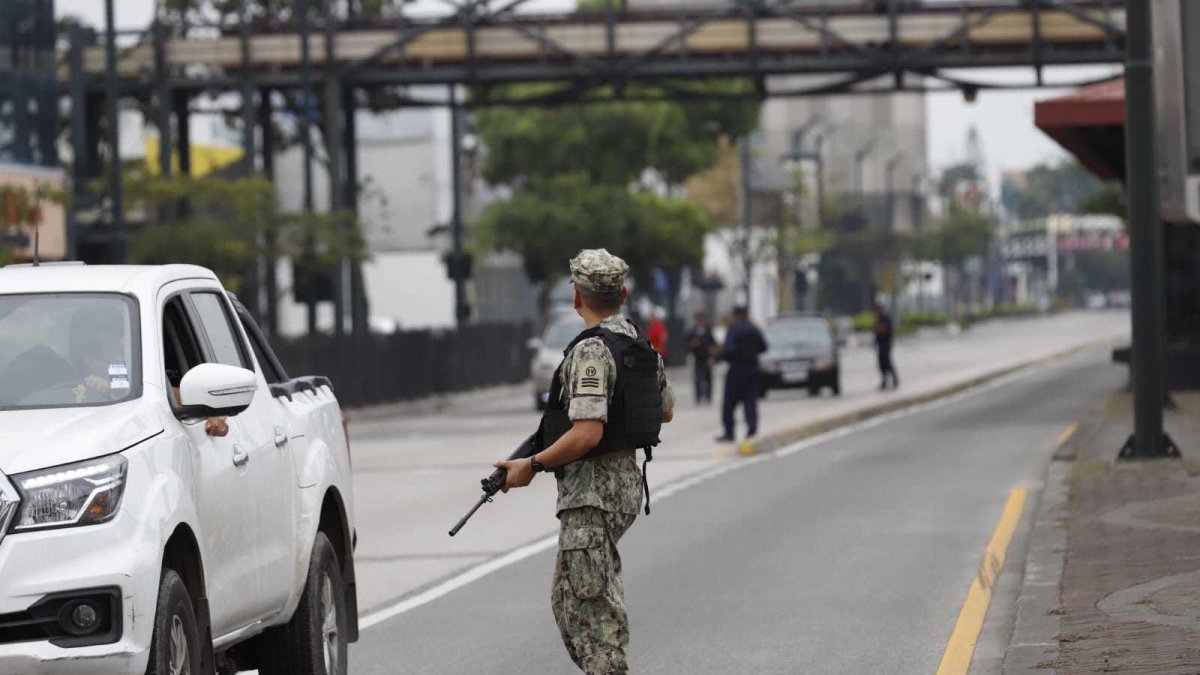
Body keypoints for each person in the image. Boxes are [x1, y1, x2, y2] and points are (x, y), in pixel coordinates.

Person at [493, 248, 675, 674]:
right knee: (571, 597)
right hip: (623, 484)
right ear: (623, 294)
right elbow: (665, 409)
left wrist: (531, 465)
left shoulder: (592, 351)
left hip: (594, 493)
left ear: (576, 297)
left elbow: (587, 432)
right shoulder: (637, 341)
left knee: (591, 611)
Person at [716, 306, 767, 442]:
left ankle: (729, 433)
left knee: (729, 404)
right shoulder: (754, 329)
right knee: (750, 401)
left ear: (735, 316)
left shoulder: (734, 330)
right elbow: (764, 347)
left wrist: (717, 358)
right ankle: (751, 429)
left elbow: (728, 351)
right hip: (752, 370)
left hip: (737, 371)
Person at [685, 311, 718, 404]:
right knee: (698, 378)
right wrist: (692, 344)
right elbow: (687, 344)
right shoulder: (692, 331)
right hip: (698, 358)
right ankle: (698, 396)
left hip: (707, 358)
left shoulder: (708, 330)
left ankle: (708, 396)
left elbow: (713, 343)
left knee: (708, 378)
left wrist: (713, 352)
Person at [874, 301, 899, 390]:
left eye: (878, 308)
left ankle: (895, 380)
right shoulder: (878, 318)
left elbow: (884, 329)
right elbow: (877, 332)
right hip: (880, 344)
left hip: (886, 344)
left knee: (888, 362)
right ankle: (884, 381)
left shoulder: (886, 318)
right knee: (881, 364)